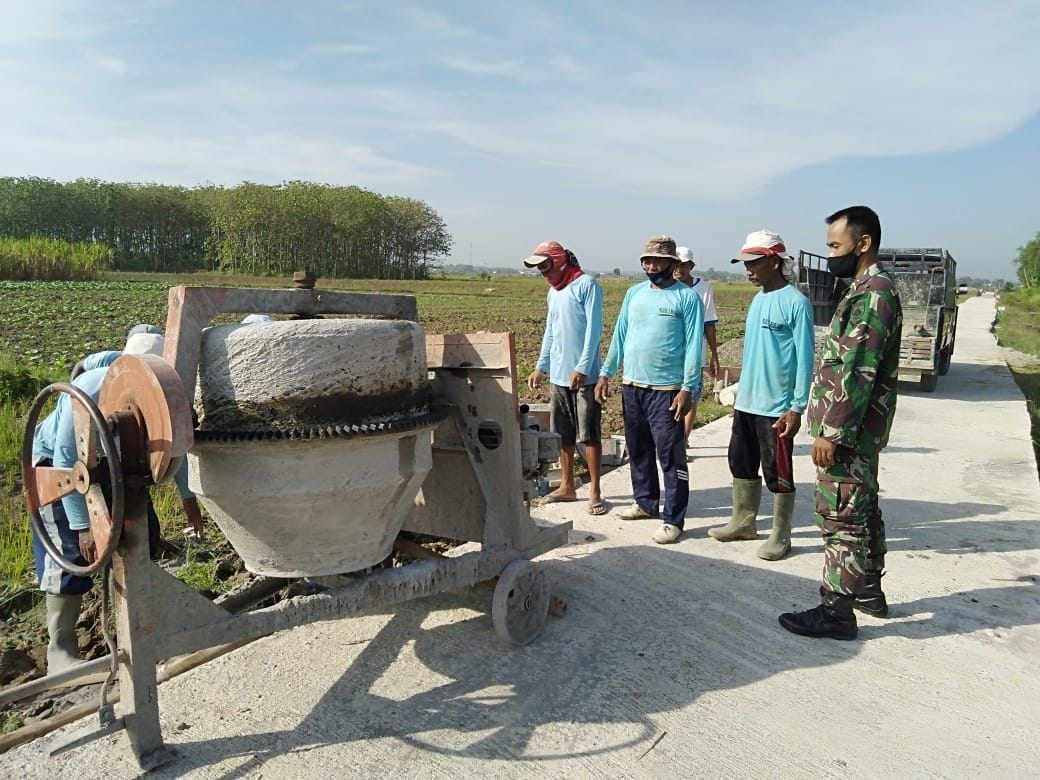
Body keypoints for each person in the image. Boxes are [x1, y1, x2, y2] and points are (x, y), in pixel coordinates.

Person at [32, 332, 202, 672]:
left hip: (115, 468)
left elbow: (171, 444)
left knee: (141, 537)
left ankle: (138, 626)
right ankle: (61, 649)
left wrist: (188, 499)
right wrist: (83, 525)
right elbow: (69, 456)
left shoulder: (162, 392)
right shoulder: (91, 387)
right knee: (69, 553)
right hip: (60, 471)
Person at [779, 206, 902, 640]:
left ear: (862, 243)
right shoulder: (868, 289)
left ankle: (836, 611)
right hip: (860, 430)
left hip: (849, 431)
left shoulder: (872, 293)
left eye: (835, 246)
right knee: (861, 509)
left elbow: (856, 369)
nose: (831, 254)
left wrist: (832, 430)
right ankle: (868, 591)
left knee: (841, 517)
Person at [707, 230, 814, 561]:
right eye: (745, 263)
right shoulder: (758, 300)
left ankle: (781, 535)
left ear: (773, 261)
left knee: (777, 471)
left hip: (776, 408)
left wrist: (796, 408)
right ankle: (743, 521)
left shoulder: (796, 303)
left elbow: (805, 358)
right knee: (740, 462)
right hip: (747, 403)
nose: (748, 269)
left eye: (753, 262)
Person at [595, 236, 704, 544]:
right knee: (639, 449)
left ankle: (673, 518)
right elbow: (620, 335)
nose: (651, 266)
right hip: (633, 386)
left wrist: (688, 388)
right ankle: (645, 502)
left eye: (657, 261)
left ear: (673, 265)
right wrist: (606, 373)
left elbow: (695, 345)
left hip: (667, 390)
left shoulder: (686, 298)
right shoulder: (634, 294)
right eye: (646, 261)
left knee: (670, 456)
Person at [524, 241, 606, 515]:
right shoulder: (554, 292)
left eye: (545, 266)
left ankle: (594, 490)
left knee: (589, 433)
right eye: (539, 269)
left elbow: (594, 331)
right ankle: (567, 486)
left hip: (585, 376)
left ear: (559, 262)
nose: (543, 273)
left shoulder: (587, 285)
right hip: (559, 376)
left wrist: (582, 367)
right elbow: (551, 331)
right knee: (564, 434)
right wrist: (541, 366)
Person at [673, 246, 720, 445]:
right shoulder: (668, 287)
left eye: (683, 265)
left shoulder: (703, 289)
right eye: (675, 264)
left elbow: (709, 324)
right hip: (671, 354)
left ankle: (683, 440)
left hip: (694, 353)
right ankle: (672, 439)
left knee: (691, 398)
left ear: (691, 265)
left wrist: (714, 355)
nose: (678, 269)